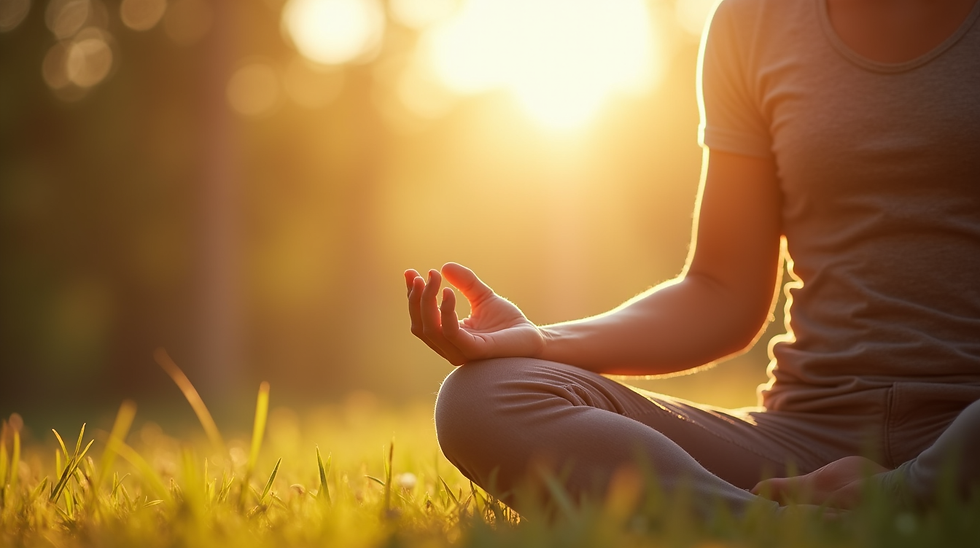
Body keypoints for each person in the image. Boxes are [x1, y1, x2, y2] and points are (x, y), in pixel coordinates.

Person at [405, 0, 980, 515]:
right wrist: (541, 341)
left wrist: (904, 487)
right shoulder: (755, 21)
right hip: (806, 435)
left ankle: (908, 498)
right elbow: (720, 291)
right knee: (482, 399)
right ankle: (774, 526)